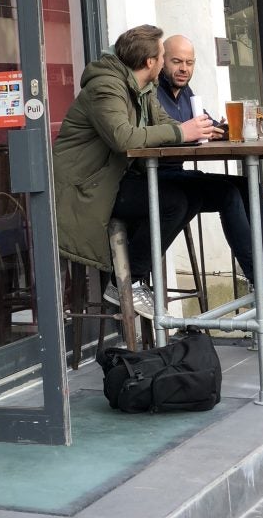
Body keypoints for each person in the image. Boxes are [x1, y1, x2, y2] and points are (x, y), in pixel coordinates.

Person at [52, 24, 213, 318]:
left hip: (115, 181)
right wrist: (181, 133)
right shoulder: (106, 86)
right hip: (87, 189)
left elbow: (165, 124)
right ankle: (125, 282)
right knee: (173, 201)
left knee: (192, 194)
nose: (166, 62)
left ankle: (136, 271)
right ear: (151, 62)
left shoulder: (144, 88)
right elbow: (123, 138)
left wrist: (200, 130)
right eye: (164, 56)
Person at [157, 34, 263, 296]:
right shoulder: (153, 93)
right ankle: (260, 276)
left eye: (189, 62)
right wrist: (192, 132)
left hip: (178, 174)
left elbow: (204, 125)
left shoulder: (186, 93)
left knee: (247, 185)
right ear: (162, 61)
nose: (184, 68)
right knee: (228, 193)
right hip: (158, 177)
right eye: (176, 61)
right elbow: (162, 135)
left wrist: (220, 129)